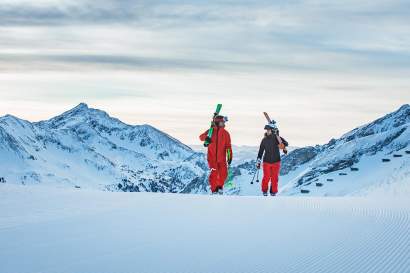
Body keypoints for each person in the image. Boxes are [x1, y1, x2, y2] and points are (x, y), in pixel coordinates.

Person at [199, 115, 233, 194]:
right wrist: (206, 137)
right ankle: (214, 190)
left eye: (224, 122)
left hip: (222, 158)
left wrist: (229, 156)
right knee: (214, 173)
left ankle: (219, 187)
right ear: (217, 122)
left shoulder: (226, 134)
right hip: (212, 158)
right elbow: (201, 137)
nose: (224, 123)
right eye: (222, 122)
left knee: (224, 173)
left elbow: (228, 146)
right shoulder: (210, 131)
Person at [256, 123, 288, 196]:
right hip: (266, 161)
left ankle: (273, 192)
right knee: (266, 177)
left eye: (269, 130)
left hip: (276, 161)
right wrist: (258, 161)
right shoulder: (264, 140)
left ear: (272, 130)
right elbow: (261, 151)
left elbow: (286, 143)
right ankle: (264, 191)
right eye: (267, 130)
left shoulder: (277, 138)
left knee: (275, 178)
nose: (267, 131)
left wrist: (282, 144)